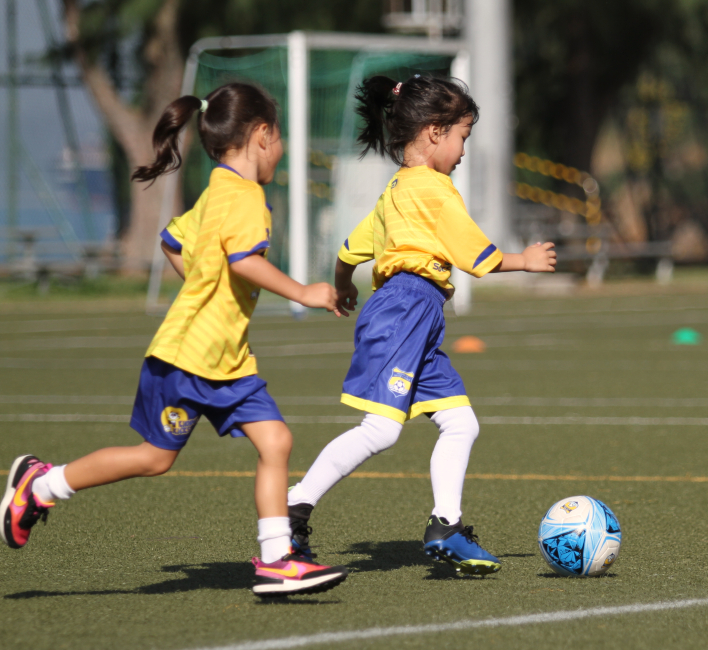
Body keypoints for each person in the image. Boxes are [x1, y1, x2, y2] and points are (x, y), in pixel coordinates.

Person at [1, 82, 349, 597]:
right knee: (153, 458)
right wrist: (305, 292)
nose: (280, 151)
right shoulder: (247, 198)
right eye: (279, 140)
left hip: (226, 360)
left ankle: (278, 560)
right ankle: (42, 484)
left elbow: (171, 240)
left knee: (273, 440)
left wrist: (202, 286)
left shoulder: (216, 189)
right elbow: (243, 260)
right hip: (189, 358)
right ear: (262, 135)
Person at [285, 74, 556, 576]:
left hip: (416, 313)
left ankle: (446, 526)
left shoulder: (395, 192)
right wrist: (526, 259)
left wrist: (344, 284)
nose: (462, 150)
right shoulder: (434, 189)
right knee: (381, 430)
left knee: (460, 421)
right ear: (435, 132)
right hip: (405, 310)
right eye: (462, 137)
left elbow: (349, 250)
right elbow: (478, 257)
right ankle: (293, 509)